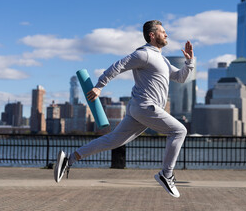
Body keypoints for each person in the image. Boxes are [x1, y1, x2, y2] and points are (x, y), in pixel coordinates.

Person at [54, 20, 194, 198]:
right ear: (152, 35)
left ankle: (69, 159)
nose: (166, 35)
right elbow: (118, 65)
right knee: (179, 130)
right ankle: (166, 175)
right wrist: (99, 86)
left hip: (140, 110)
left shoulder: (163, 60)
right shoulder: (144, 54)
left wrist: (189, 62)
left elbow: (180, 77)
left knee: (113, 141)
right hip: (145, 106)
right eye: (163, 32)